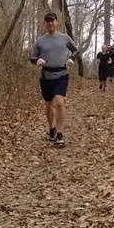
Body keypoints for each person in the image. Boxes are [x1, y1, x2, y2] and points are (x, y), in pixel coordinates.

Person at [29, 12, 78, 146]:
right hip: (46, 76)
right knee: (49, 104)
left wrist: (71, 58)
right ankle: (52, 128)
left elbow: (76, 50)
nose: (50, 23)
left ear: (56, 22)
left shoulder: (65, 38)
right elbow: (32, 57)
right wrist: (37, 60)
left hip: (61, 74)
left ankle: (60, 133)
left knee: (59, 102)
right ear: (45, 23)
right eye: (48, 21)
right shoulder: (40, 41)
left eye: (52, 21)